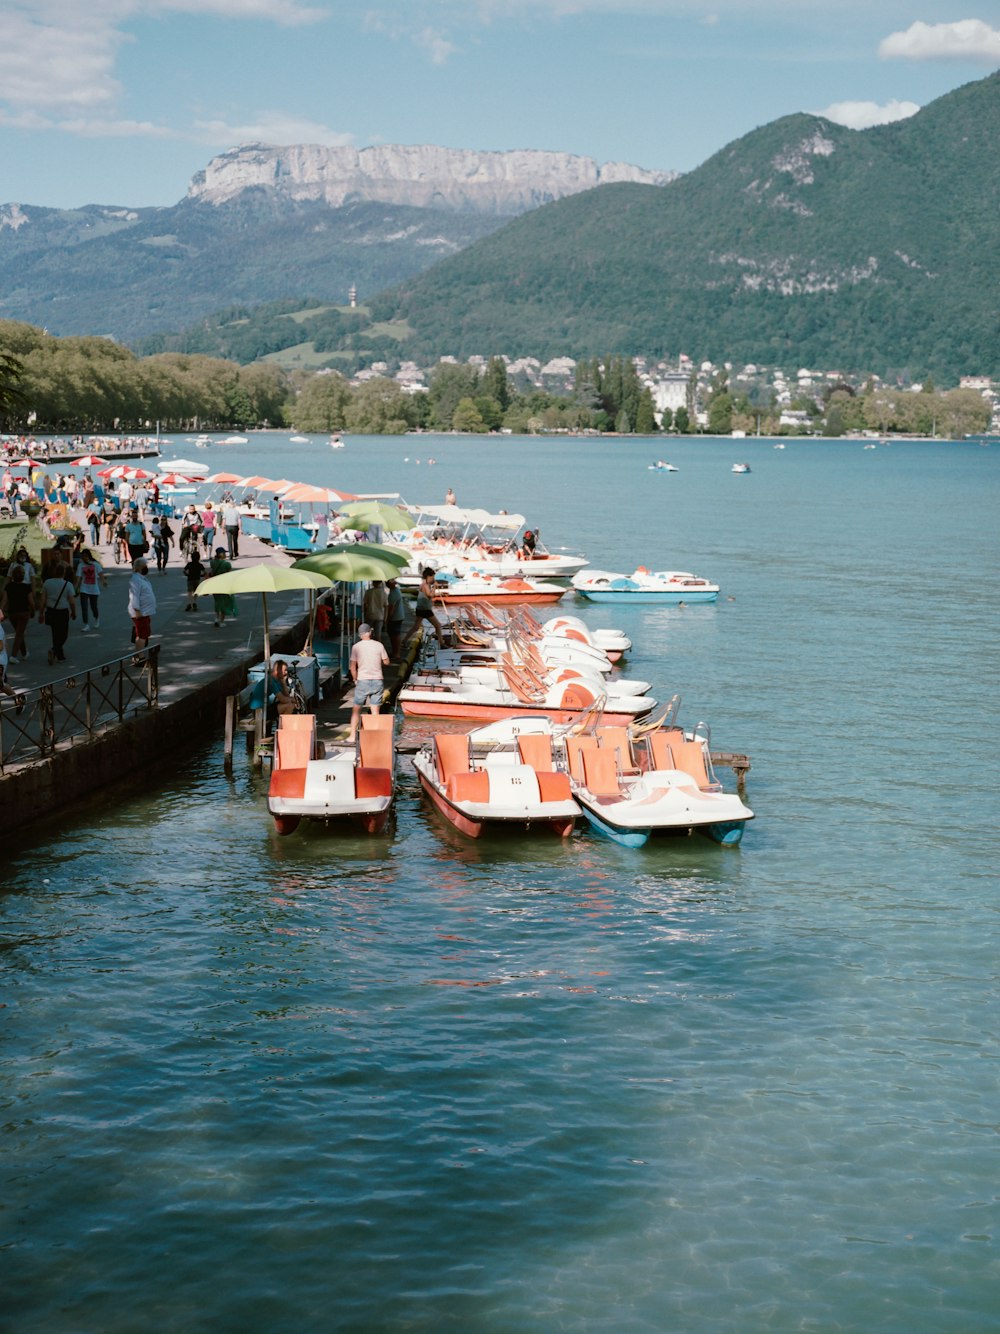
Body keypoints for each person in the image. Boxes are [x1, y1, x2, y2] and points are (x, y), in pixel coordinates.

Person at [348, 623, 389, 743]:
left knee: (356, 709)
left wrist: (355, 679)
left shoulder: (356, 647)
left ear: (360, 635)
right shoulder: (379, 645)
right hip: (377, 680)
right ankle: (375, 737)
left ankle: (352, 736)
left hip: (362, 680)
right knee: (375, 710)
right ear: (370, 632)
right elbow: (386, 662)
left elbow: (352, 667)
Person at [37, 560, 77, 665]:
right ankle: (55, 650)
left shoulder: (47, 583)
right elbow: (72, 601)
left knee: (55, 634)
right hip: (63, 611)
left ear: (54, 572)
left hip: (51, 611)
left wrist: (41, 613)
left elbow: (42, 600)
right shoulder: (68, 585)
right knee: (63, 634)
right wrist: (74, 612)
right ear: (64, 573)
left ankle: (59, 656)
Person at [404, 567, 445, 648]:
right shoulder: (425, 585)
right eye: (432, 577)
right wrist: (434, 587)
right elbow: (430, 595)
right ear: (428, 577)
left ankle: (404, 641)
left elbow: (428, 595)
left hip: (421, 608)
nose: (433, 579)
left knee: (415, 627)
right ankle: (441, 643)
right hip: (425, 610)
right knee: (438, 625)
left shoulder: (425, 584)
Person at [1, 563, 34, 659]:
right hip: (24, 613)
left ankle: (24, 653)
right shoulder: (26, 587)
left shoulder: (9, 587)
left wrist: (1, 611)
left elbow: (4, 601)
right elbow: (31, 602)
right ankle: (13, 656)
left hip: (12, 613)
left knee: (19, 631)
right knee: (19, 633)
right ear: (23, 576)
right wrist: (32, 611)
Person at [128, 558, 156, 655]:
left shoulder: (141, 578)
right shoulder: (136, 580)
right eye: (145, 566)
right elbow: (134, 596)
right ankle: (139, 657)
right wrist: (137, 610)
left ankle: (138, 654)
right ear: (139, 568)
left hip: (145, 611)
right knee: (142, 635)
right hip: (140, 612)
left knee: (143, 634)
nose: (146, 568)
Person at [74, 549, 107, 631]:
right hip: (84, 588)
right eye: (83, 556)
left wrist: (103, 581)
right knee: (84, 607)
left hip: (94, 588)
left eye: (86, 556)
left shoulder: (95, 564)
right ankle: (86, 624)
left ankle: (96, 618)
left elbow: (100, 574)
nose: (84, 558)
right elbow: (78, 578)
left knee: (93, 606)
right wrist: (75, 588)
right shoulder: (80, 565)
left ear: (89, 556)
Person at [208, 547, 234, 627]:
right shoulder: (226, 564)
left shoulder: (212, 562)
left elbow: (211, 571)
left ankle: (216, 618)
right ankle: (222, 621)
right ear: (220, 554)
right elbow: (230, 575)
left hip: (215, 584)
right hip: (224, 585)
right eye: (224, 553)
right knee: (224, 603)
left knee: (217, 601)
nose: (225, 554)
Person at [362, 579, 387, 646]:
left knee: (368, 634)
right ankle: (379, 651)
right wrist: (385, 618)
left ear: (373, 583)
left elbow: (365, 604)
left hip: (370, 614)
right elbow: (386, 606)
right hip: (380, 616)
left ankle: (368, 648)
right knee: (378, 636)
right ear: (380, 583)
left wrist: (364, 612)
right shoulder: (383, 593)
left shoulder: (368, 592)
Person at [385, 577, 405, 659]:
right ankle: (395, 652)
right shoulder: (396, 591)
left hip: (395, 617)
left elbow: (391, 609)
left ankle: (396, 653)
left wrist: (387, 619)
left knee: (394, 635)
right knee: (395, 635)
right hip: (399, 616)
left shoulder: (393, 593)